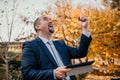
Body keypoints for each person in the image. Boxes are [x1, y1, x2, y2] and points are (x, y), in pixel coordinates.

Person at [21, 15, 92, 80]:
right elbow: (27, 74)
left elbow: (81, 53)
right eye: (45, 19)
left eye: (51, 19)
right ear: (38, 27)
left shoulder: (61, 44)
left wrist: (85, 28)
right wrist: (53, 73)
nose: (50, 21)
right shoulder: (30, 46)